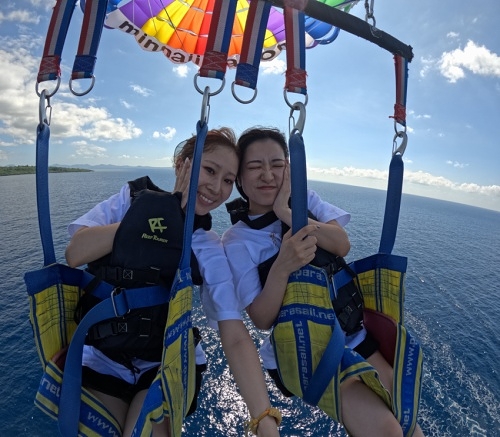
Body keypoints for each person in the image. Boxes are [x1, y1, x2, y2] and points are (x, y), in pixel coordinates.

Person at [65, 128, 281, 437]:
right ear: (182, 164)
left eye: (228, 180)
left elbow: (233, 333)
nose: (216, 188)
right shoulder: (131, 200)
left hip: (164, 364)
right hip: (103, 357)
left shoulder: (206, 245)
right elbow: (76, 252)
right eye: (210, 170)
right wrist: (161, 214)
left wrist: (264, 419)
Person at [222, 127, 425, 437]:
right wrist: (282, 266)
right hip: (307, 348)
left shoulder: (306, 200)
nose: (267, 175)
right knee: (387, 431)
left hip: (352, 331)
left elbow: (341, 244)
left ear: (289, 168)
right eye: (254, 166)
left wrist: (286, 212)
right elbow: (261, 318)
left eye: (276, 164)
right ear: (240, 177)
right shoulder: (237, 240)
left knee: (408, 423)